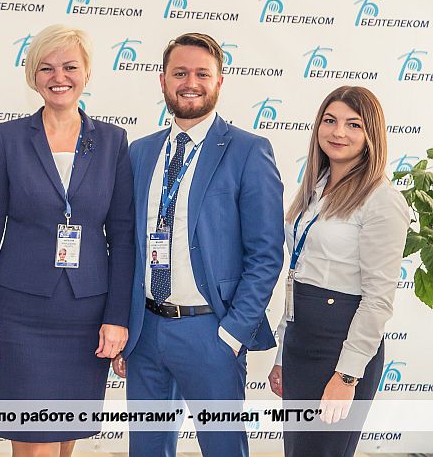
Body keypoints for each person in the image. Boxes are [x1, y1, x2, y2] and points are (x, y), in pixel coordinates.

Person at [114, 32, 284, 457]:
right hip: (146, 331)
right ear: (162, 80)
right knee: (146, 449)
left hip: (211, 331)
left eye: (202, 74)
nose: (190, 83)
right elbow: (126, 247)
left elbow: (266, 255)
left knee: (223, 449)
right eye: (180, 73)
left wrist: (232, 334)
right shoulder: (140, 153)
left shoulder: (248, 151)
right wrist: (124, 325)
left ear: (219, 82)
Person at [0, 24, 134, 457]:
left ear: (87, 73)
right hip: (20, 315)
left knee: (64, 439)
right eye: (46, 68)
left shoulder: (112, 141)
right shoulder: (8, 138)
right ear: (33, 76)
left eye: (70, 67)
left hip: (86, 316)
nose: (59, 77)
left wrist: (117, 317)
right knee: (34, 441)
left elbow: (123, 237)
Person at [267, 86, 410, 457]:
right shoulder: (316, 188)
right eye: (330, 121)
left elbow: (378, 300)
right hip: (301, 341)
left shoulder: (381, 199)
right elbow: (299, 274)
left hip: (340, 348)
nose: (338, 132)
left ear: (371, 134)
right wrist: (283, 355)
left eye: (353, 124)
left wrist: (347, 377)